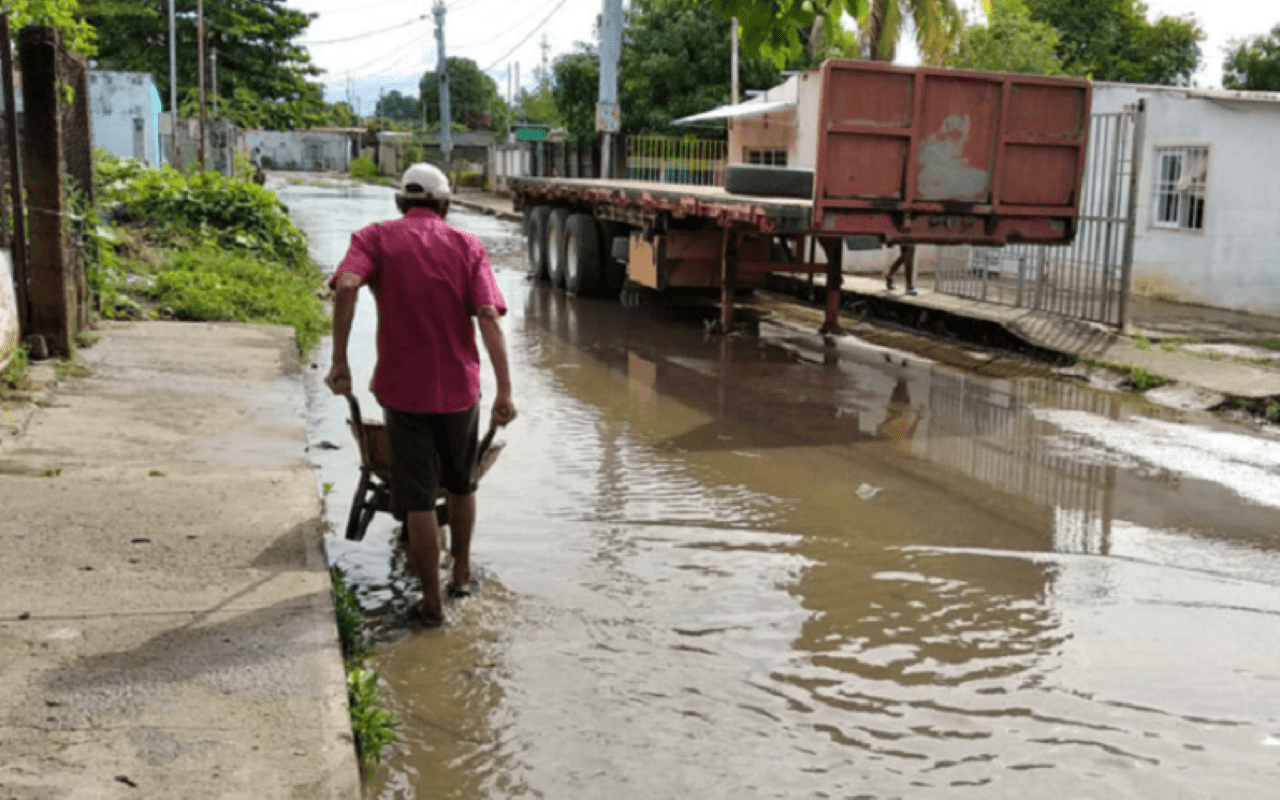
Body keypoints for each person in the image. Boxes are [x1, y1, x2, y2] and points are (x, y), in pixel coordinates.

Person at [325, 162, 516, 628]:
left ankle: (431, 603)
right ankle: (462, 571)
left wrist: (340, 360)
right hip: (459, 389)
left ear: (400, 203)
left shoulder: (373, 238)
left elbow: (347, 284)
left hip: (403, 391)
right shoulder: (467, 245)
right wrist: (505, 390)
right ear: (446, 206)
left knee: (415, 500)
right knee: (462, 484)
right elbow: (488, 315)